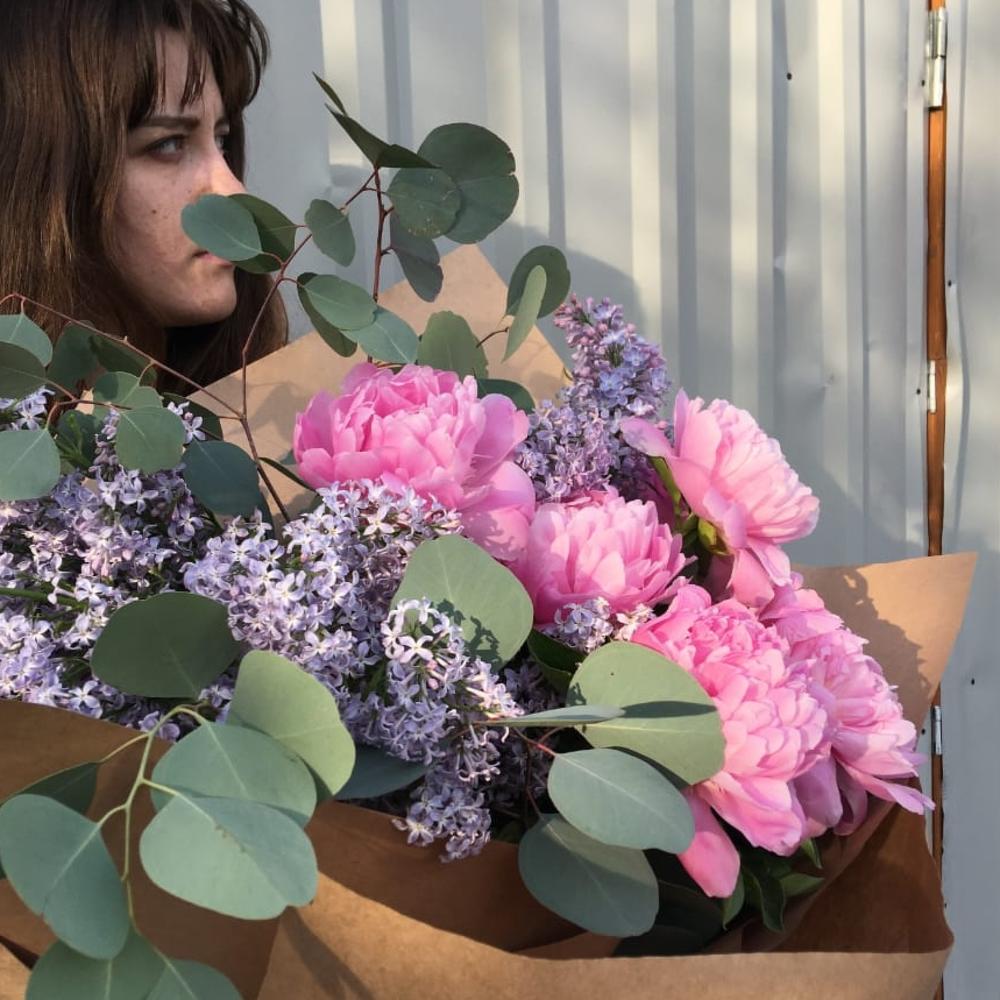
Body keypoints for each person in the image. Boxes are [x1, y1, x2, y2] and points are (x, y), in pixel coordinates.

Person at [0, 0, 287, 396]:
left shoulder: (272, 401)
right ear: (50, 182)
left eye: (222, 140)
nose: (233, 190)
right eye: (168, 143)